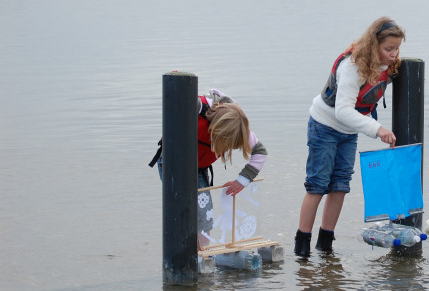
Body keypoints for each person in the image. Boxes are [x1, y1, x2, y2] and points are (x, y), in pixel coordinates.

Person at [295, 17, 405, 257]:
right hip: (324, 126)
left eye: (397, 48)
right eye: (388, 49)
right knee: (317, 185)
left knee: (341, 185)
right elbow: (343, 110)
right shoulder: (352, 67)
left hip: (348, 131)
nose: (394, 54)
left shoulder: (388, 64)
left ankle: (325, 244)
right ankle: (301, 245)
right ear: (373, 45)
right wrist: (378, 129)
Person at [150, 88, 268, 247]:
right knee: (183, 209)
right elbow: (180, 97)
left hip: (199, 166)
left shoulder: (239, 129)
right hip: (174, 163)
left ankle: (203, 253)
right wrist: (177, 83)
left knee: (204, 215)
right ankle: (183, 252)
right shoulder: (199, 107)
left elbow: (260, 152)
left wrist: (241, 181)